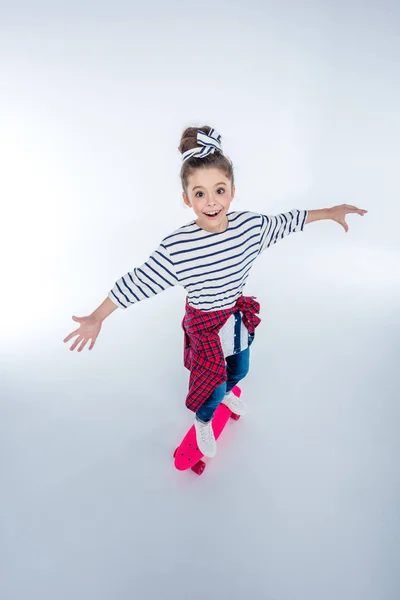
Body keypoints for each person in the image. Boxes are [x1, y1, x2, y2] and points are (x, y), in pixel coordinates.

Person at [63, 125, 368, 458]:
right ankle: (203, 419)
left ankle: (224, 394)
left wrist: (328, 213)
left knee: (240, 369)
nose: (211, 202)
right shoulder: (178, 247)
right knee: (212, 384)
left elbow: (287, 221)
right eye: (199, 194)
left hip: (233, 313)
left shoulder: (249, 228)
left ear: (232, 192)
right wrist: (96, 316)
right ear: (186, 199)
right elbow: (138, 281)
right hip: (203, 321)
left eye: (219, 190)